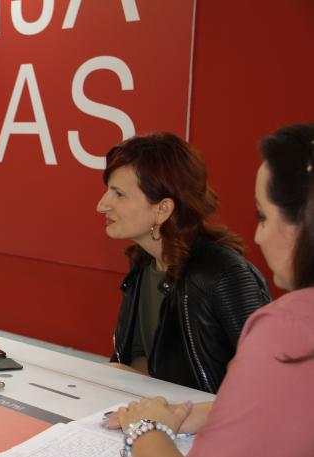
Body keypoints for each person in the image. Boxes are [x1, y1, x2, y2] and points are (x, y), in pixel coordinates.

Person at [111, 124, 314, 456]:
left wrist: (145, 428)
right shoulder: (142, 265)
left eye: (262, 216)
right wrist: (199, 413)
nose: (258, 236)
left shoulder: (283, 325)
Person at [96, 133, 270, 393]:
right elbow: (149, 365)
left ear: (163, 209)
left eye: (119, 194)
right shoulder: (143, 265)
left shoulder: (225, 275)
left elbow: (270, 385)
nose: (102, 205)